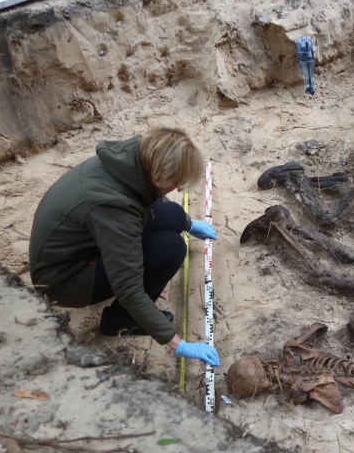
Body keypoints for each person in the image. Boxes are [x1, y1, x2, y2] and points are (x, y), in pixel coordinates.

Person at [29, 127, 220, 367]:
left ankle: (105, 260)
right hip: (62, 280)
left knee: (170, 213)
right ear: (160, 176)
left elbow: (153, 203)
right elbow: (128, 288)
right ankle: (120, 320)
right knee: (170, 248)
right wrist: (178, 344)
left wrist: (188, 223)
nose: (179, 189)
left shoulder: (127, 160)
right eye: (177, 183)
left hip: (76, 245)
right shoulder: (115, 205)